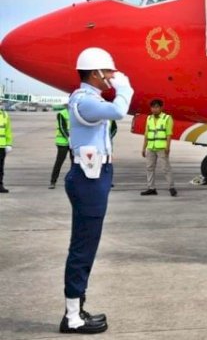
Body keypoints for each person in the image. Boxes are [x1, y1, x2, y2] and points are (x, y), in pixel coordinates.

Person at [60, 47, 133, 334]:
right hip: (88, 179)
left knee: (87, 246)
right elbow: (118, 111)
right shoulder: (85, 100)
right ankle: (72, 318)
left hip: (96, 175)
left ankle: (77, 308)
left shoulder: (91, 99)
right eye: (109, 72)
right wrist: (125, 88)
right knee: (83, 247)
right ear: (95, 74)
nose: (113, 77)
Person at [140, 99, 176, 196]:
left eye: (156, 107)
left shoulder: (167, 118)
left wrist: (168, 147)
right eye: (152, 107)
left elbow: (169, 134)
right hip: (150, 147)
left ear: (161, 108)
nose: (154, 109)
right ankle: (151, 188)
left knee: (165, 168)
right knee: (149, 168)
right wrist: (144, 148)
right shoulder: (149, 118)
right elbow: (146, 134)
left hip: (161, 148)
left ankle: (171, 187)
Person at [49, 106, 73, 189]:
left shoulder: (76, 113)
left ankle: (72, 180)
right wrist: (68, 137)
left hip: (74, 142)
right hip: (62, 142)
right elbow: (62, 127)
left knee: (74, 162)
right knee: (59, 162)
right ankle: (53, 181)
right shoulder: (61, 113)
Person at [0, 103, 12, 193]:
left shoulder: (4, 114)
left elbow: (8, 131)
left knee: (0, 168)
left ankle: (0, 185)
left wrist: (8, 144)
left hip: (1, 146)